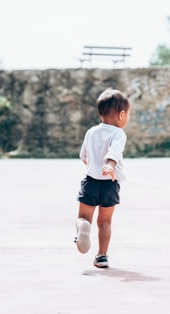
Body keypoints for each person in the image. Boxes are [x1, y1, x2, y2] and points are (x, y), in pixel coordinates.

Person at [74, 88, 130, 268]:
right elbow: (115, 152)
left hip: (91, 181)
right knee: (105, 222)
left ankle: (83, 227)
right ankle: (102, 256)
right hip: (110, 184)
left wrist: (95, 167)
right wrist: (110, 165)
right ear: (122, 114)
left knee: (84, 217)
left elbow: (83, 156)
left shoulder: (91, 132)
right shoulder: (119, 133)